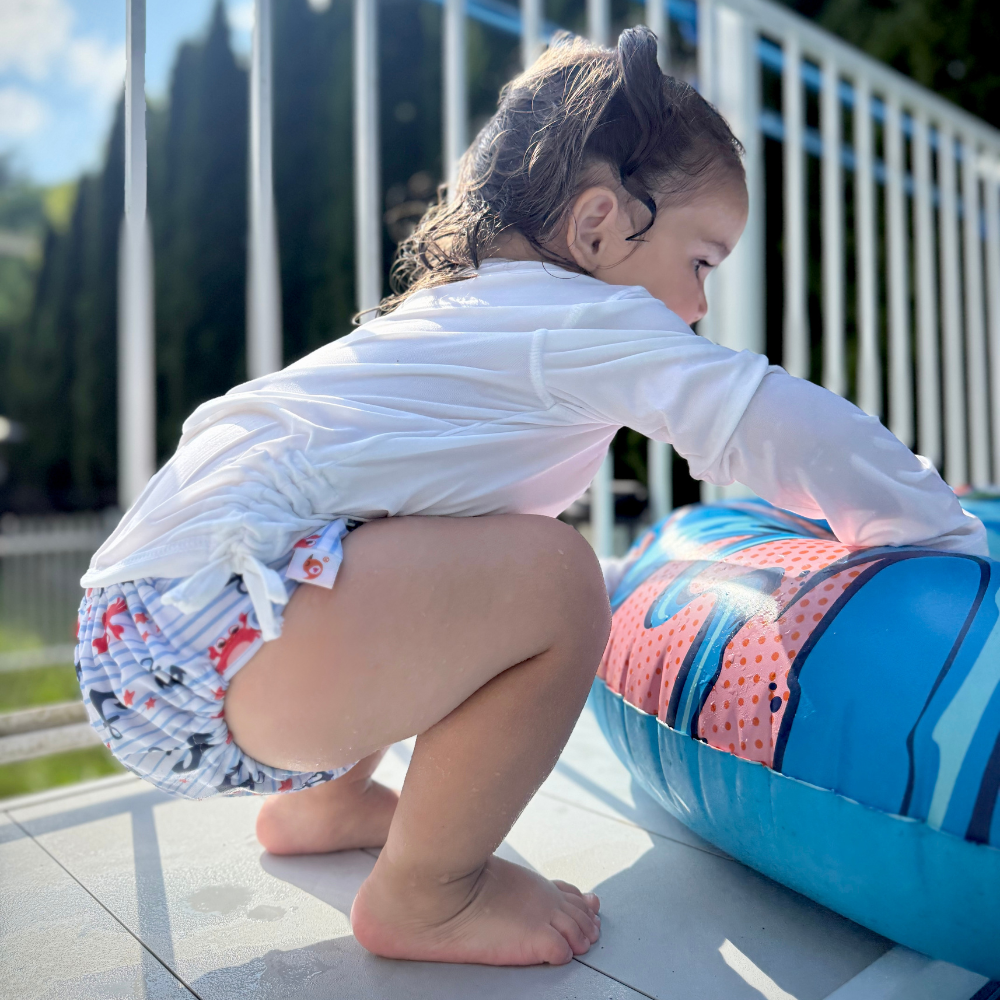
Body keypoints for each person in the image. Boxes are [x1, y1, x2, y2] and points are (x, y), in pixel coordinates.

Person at [76, 27, 985, 968]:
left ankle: (325, 805)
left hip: (144, 629)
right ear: (598, 227)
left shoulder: (463, 314)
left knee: (425, 546)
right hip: (223, 629)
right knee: (554, 581)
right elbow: (777, 422)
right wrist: (936, 530)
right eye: (701, 263)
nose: (700, 308)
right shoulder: (586, 316)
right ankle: (427, 895)